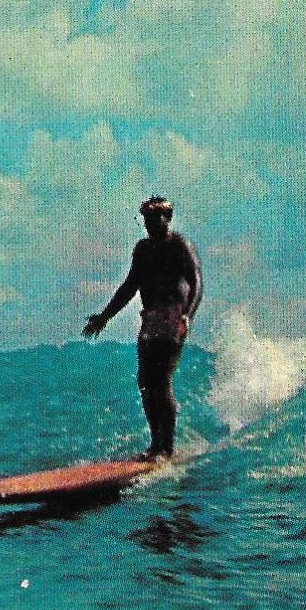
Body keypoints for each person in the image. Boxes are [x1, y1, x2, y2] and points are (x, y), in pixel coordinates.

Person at [81, 196, 203, 460]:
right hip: (151, 318)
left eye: (155, 218)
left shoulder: (180, 245)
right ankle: (155, 444)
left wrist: (187, 316)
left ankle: (167, 448)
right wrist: (104, 317)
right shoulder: (142, 249)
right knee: (145, 382)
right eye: (146, 220)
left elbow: (196, 283)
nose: (149, 224)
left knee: (161, 381)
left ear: (167, 218)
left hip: (174, 318)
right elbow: (130, 286)